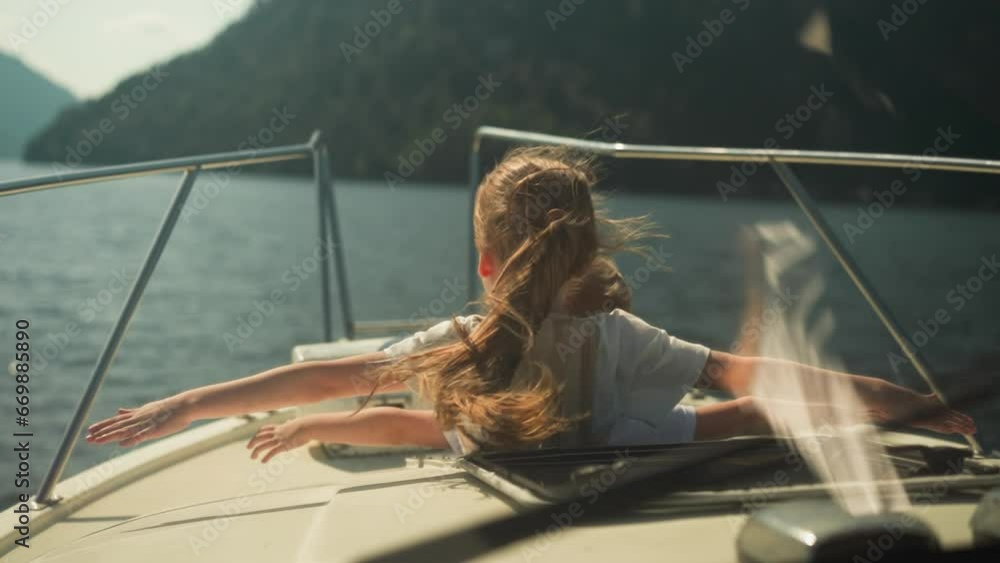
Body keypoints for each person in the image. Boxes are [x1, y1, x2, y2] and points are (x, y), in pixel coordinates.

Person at [86, 147, 976, 463]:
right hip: (621, 446)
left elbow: (333, 374)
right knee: (750, 409)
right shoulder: (616, 330)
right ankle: (930, 412)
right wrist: (914, 403)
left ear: (484, 261)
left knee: (463, 421)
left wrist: (192, 401)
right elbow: (755, 382)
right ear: (585, 253)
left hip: (518, 447)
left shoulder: (464, 344)